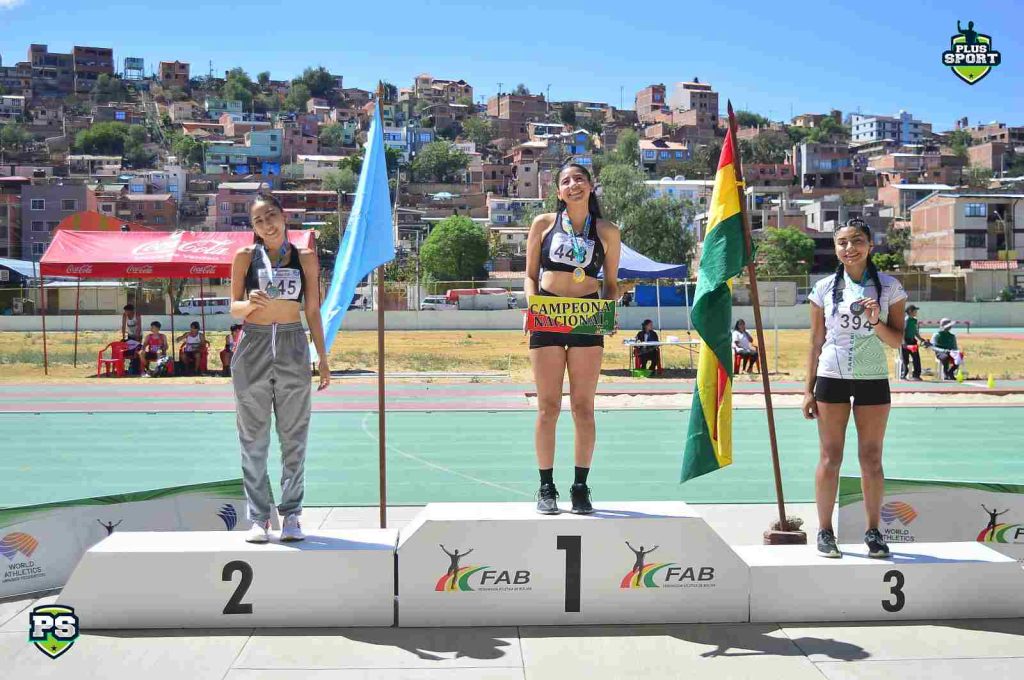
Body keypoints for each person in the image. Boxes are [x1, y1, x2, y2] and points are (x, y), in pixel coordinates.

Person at [803, 218, 907, 559]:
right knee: (830, 456)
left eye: (857, 241)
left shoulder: (890, 287)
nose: (850, 248)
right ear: (835, 248)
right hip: (831, 377)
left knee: (871, 457)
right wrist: (808, 389)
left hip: (873, 378)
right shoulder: (822, 289)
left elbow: (896, 342)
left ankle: (874, 531)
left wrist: (876, 321)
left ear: (870, 246)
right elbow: (816, 341)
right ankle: (824, 531)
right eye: (843, 242)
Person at [230, 191, 330, 544]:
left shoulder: (305, 257)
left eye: (270, 216)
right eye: (258, 220)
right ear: (253, 227)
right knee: (253, 439)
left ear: (283, 216)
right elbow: (233, 309)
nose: (266, 224)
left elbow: (313, 310)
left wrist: (322, 357)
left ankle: (291, 516)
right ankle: (259, 518)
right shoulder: (244, 257)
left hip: (291, 345)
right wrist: (247, 303)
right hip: (253, 345)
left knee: (294, 438)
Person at [525, 163, 621, 515]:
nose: (573, 185)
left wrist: (609, 313)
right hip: (548, 315)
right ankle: (545, 487)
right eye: (566, 181)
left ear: (591, 186)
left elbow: (611, 285)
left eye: (579, 179)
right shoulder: (543, 224)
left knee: (583, 407)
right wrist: (532, 306)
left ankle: (580, 487)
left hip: (587, 317)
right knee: (548, 406)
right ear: (558, 192)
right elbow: (530, 276)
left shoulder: (607, 232)